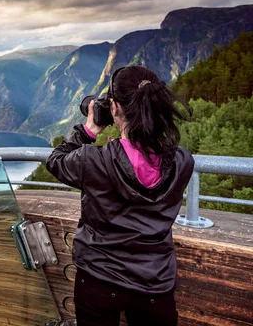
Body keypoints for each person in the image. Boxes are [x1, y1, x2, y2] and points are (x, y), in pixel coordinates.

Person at [45, 65, 194, 326]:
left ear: (114, 109)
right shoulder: (182, 161)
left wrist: (88, 130)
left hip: (98, 278)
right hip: (155, 283)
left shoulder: (92, 160)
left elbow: (55, 161)